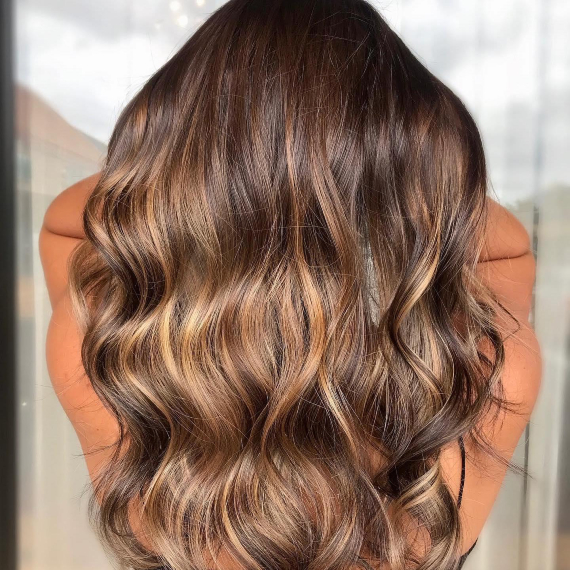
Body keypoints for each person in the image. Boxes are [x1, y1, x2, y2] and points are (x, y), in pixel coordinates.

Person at [38, 0, 542, 568]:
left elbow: (66, 222)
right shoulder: (488, 372)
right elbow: (506, 244)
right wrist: (384, 169)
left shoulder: (99, 356)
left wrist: (204, 166)